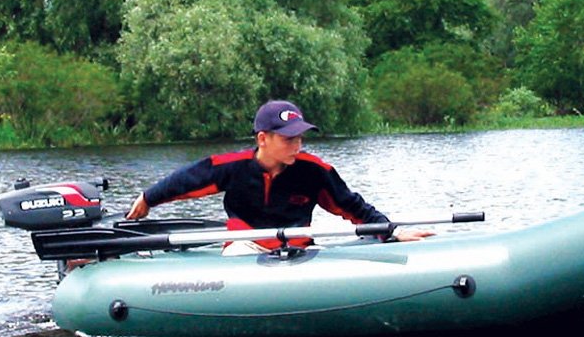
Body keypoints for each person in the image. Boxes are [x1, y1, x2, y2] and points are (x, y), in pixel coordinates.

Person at [126, 100, 433, 252]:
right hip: (247, 246)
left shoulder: (315, 171)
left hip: (300, 250)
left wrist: (390, 231)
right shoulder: (232, 166)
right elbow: (184, 182)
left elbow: (352, 207)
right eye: (289, 139)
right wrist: (147, 199)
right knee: (238, 258)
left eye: (300, 138)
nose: (297, 146)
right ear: (263, 139)